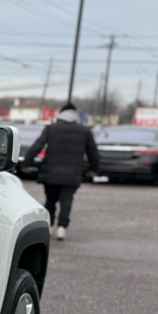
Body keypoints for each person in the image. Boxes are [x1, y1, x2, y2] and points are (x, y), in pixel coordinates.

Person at [22, 103, 99, 240]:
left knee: (50, 200)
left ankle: (50, 225)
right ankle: (62, 227)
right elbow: (92, 152)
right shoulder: (84, 131)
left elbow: (37, 146)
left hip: (50, 172)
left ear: (61, 114)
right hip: (72, 173)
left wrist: (26, 163)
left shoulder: (51, 128)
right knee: (67, 201)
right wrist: (94, 169)